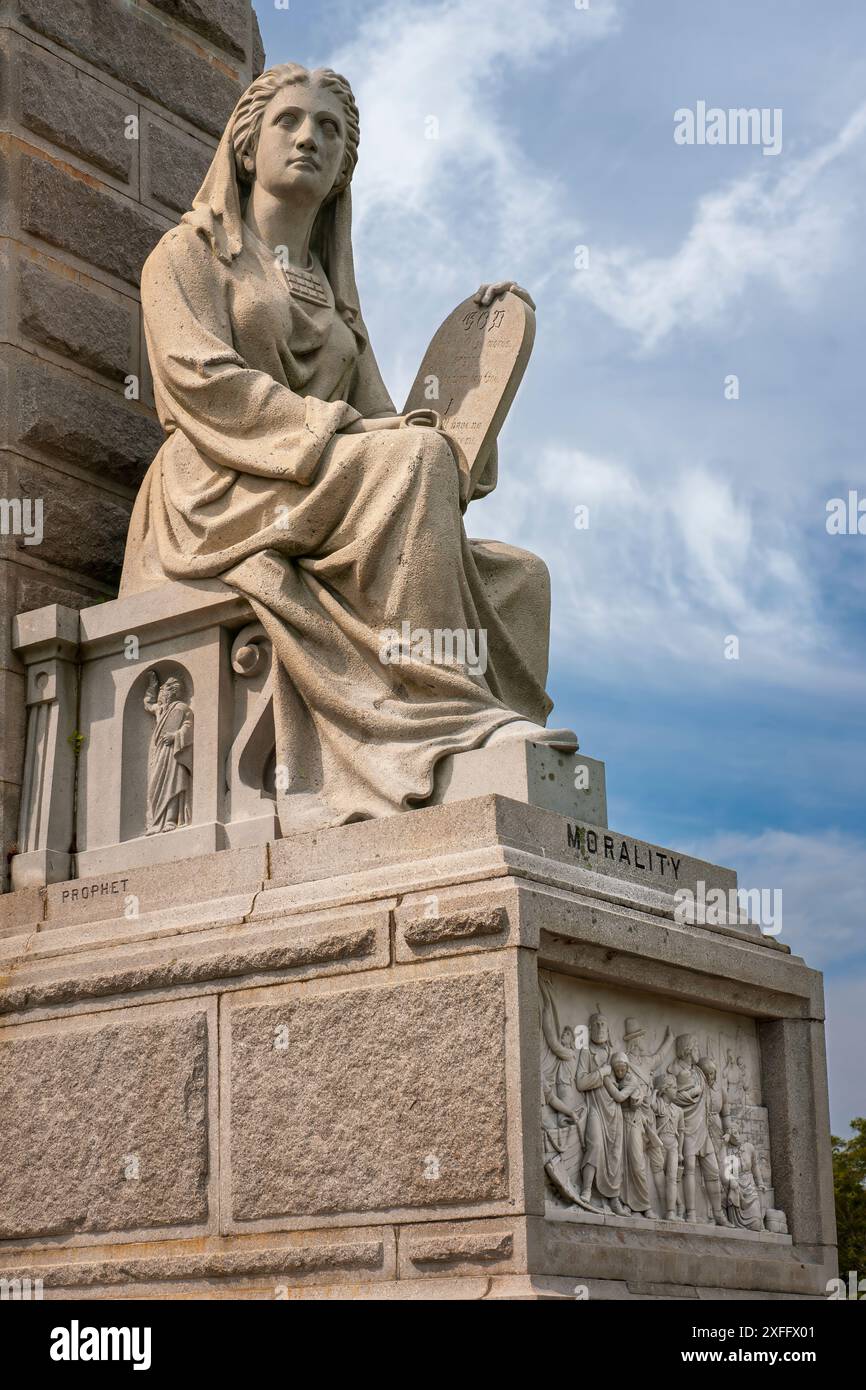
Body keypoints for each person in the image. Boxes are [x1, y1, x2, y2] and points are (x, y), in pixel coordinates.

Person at [119, 62, 575, 834]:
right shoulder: (187, 256)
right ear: (245, 144)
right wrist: (362, 436)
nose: (310, 138)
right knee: (413, 465)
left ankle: (481, 723)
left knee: (520, 577)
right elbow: (202, 383)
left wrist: (470, 387)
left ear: (344, 172)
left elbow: (391, 427)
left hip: (314, 486)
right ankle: (442, 721)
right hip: (219, 485)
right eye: (290, 122)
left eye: (330, 130)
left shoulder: (334, 304)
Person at [144, 673, 193, 834]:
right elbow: (148, 704)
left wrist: (175, 736)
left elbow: (189, 726)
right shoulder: (160, 709)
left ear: (171, 692)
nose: (160, 695)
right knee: (155, 786)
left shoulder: (181, 708)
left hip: (174, 753)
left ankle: (171, 820)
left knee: (173, 784)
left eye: (162, 691)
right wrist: (151, 687)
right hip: (159, 752)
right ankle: (156, 822)